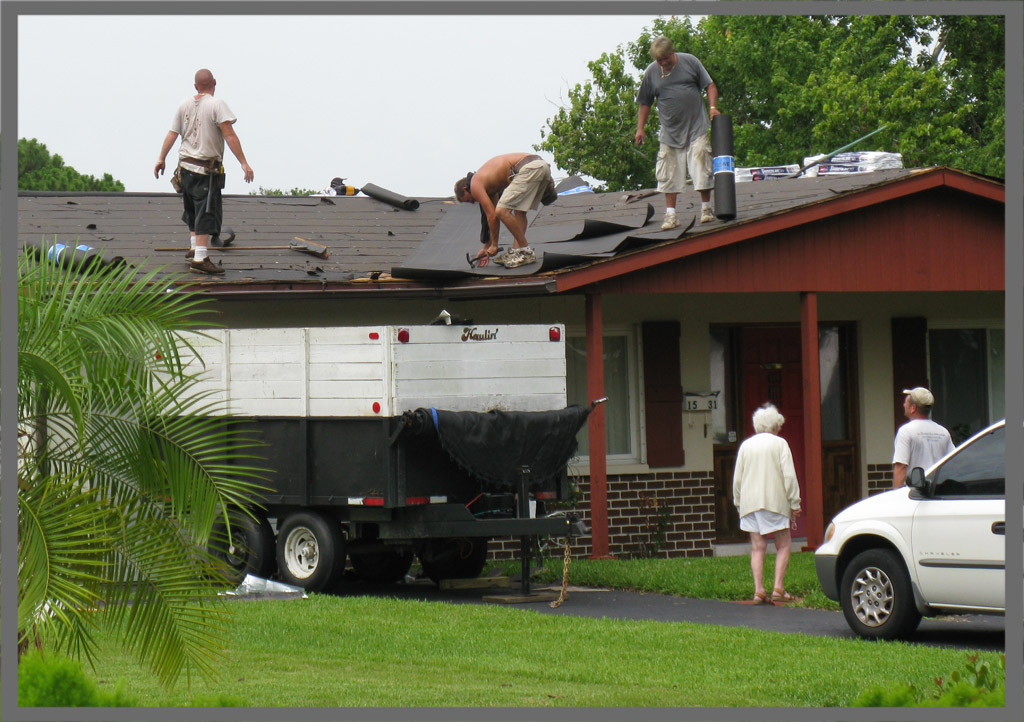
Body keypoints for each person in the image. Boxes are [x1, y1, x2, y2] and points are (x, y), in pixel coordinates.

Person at [154, 69, 254, 275]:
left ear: (195, 86)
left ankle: (193, 248)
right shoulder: (217, 105)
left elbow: (173, 133)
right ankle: (200, 258)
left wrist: (161, 158)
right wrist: (244, 163)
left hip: (185, 168)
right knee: (205, 212)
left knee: (191, 208)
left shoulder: (184, 104)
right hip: (204, 169)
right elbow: (230, 135)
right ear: (214, 83)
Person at [634, 36, 720, 230]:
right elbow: (645, 102)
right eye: (660, 61)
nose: (663, 63)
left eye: (666, 59)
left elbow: (710, 85)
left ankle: (706, 209)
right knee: (669, 172)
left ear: (673, 53)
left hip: (696, 126)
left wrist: (713, 107)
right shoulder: (651, 73)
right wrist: (640, 128)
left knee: (701, 162)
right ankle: (671, 215)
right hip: (670, 131)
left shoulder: (690, 61)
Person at [732, 403, 803, 605]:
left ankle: (759, 590)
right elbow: (788, 476)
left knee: (757, 547)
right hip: (774, 502)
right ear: (774, 426)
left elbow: (738, 479)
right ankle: (778, 588)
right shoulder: (780, 444)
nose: (779, 429)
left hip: (749, 503)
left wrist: (739, 502)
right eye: (779, 426)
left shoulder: (746, 445)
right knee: (783, 544)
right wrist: (795, 501)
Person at [453, 152, 552, 269]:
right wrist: (488, 246)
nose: (472, 202)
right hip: (541, 166)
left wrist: (494, 245)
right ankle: (517, 252)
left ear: (465, 189)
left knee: (502, 211)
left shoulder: (475, 184)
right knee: (519, 212)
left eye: (468, 200)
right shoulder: (490, 184)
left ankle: (526, 252)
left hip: (528, 168)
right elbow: (492, 218)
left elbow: (494, 215)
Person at [891, 387, 955, 488]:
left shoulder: (906, 431)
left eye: (906, 403)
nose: (903, 405)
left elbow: (901, 467)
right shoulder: (943, 432)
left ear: (913, 408)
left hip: (915, 494)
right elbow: (952, 463)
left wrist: (897, 496)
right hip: (937, 492)